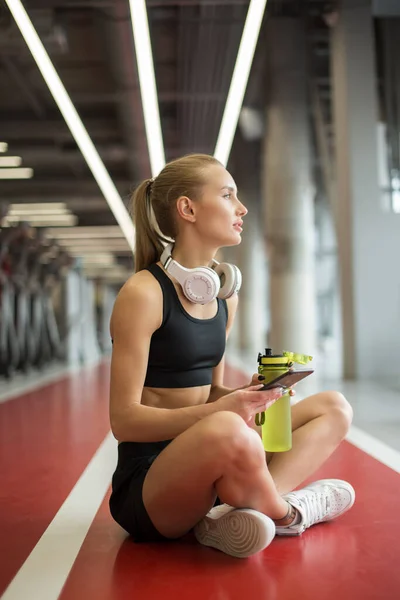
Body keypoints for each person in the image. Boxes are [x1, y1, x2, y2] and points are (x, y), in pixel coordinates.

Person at [108, 154, 355, 559]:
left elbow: (211, 392)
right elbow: (123, 421)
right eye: (227, 195)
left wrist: (251, 394)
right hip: (150, 485)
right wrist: (223, 411)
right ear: (187, 209)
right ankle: (289, 511)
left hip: (215, 448)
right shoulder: (143, 293)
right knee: (228, 427)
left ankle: (231, 514)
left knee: (334, 407)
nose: (241, 209)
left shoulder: (225, 296)